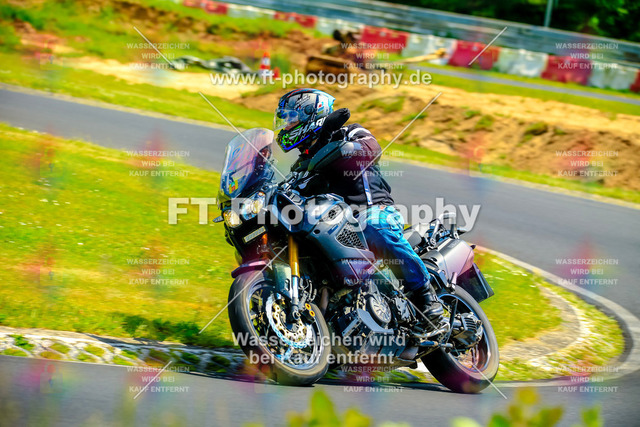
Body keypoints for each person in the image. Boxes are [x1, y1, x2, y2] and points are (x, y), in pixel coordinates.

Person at [273, 88, 444, 325]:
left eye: (292, 118)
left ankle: (426, 296)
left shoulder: (349, 132)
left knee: (374, 226)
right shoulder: (301, 165)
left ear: (312, 113)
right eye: (285, 119)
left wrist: (344, 147)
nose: (286, 125)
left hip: (372, 210)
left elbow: (372, 148)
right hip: (337, 226)